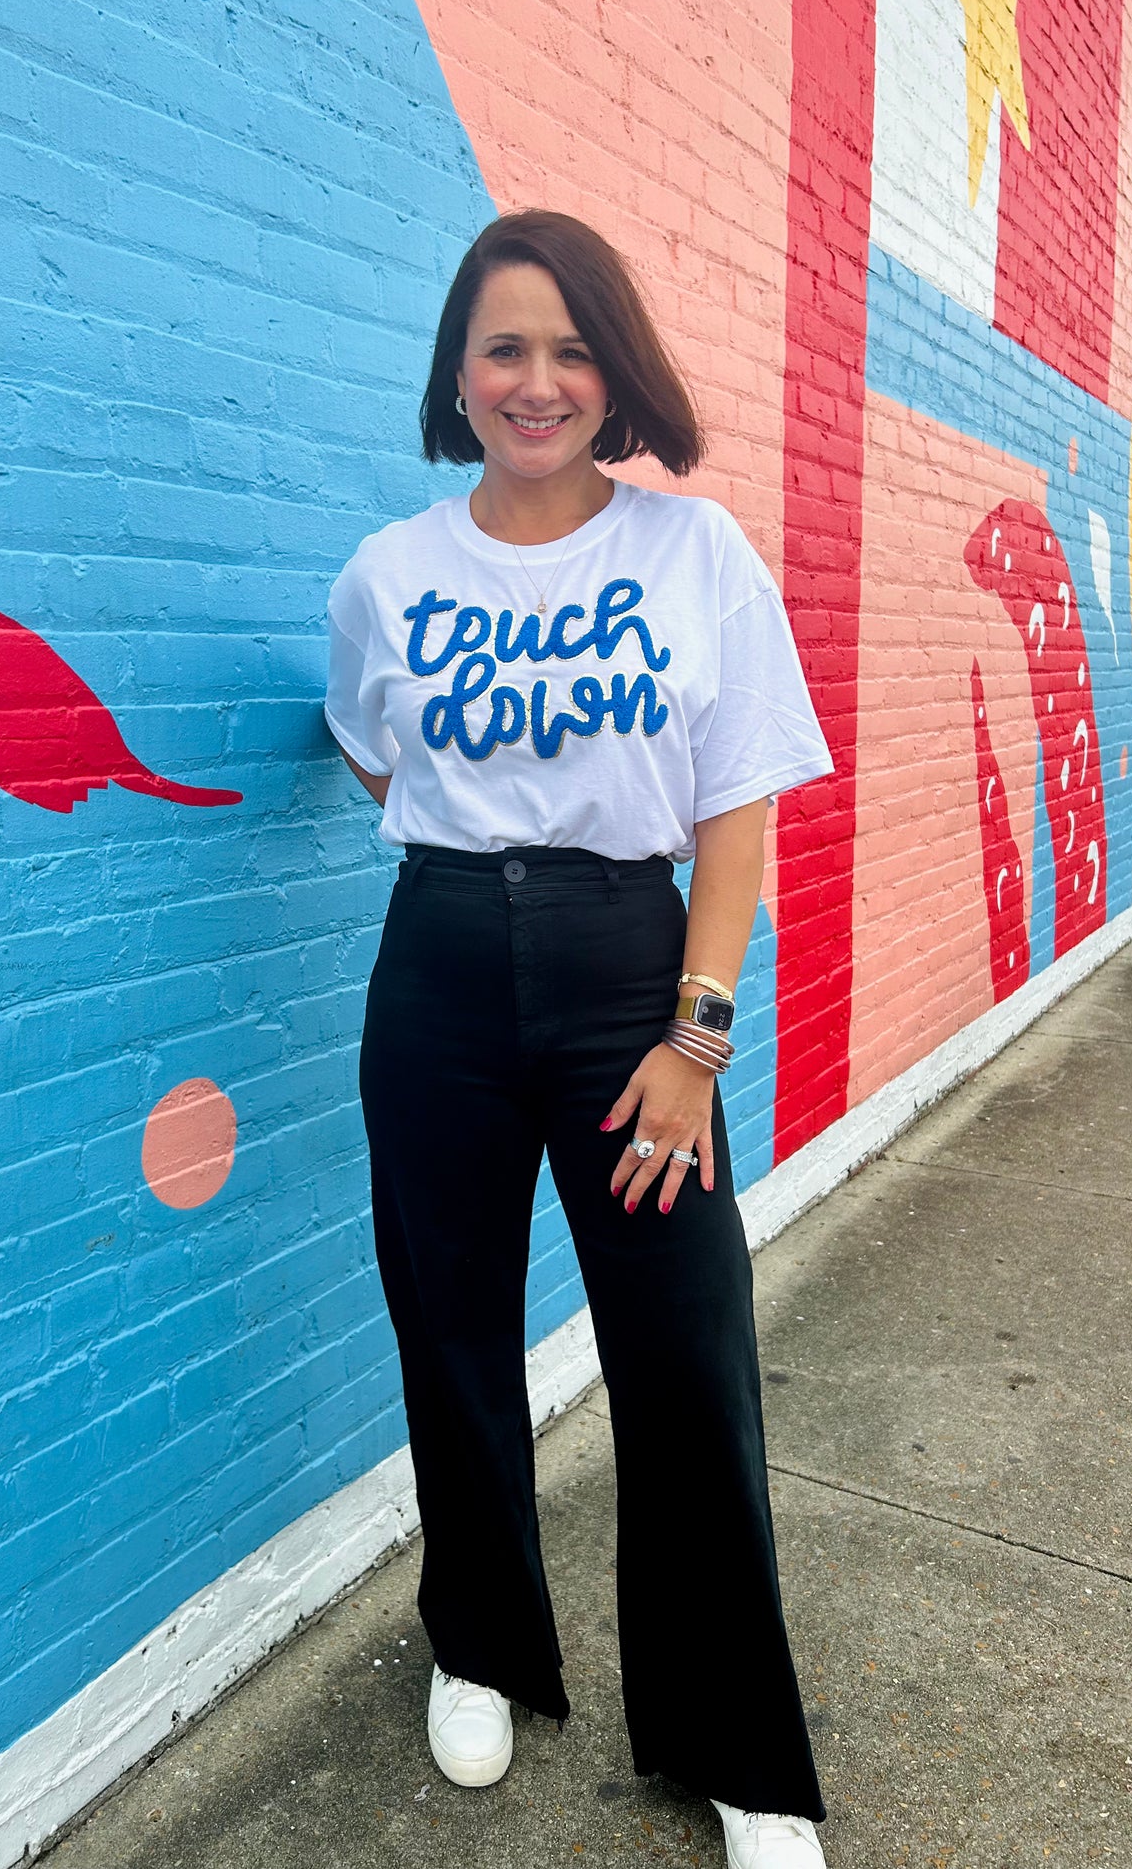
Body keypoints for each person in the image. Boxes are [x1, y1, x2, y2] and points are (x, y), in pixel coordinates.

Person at [323, 210, 834, 1869]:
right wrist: (479, 865)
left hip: (634, 970)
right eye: (501, 348)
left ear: (611, 370)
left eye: (567, 348)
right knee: (450, 1327)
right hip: (444, 972)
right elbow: (370, 758)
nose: (534, 381)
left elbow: (738, 813)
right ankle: (479, 1647)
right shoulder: (390, 573)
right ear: (456, 375)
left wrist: (694, 1037)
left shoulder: (694, 555)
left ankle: (732, 1742)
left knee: (686, 1355)